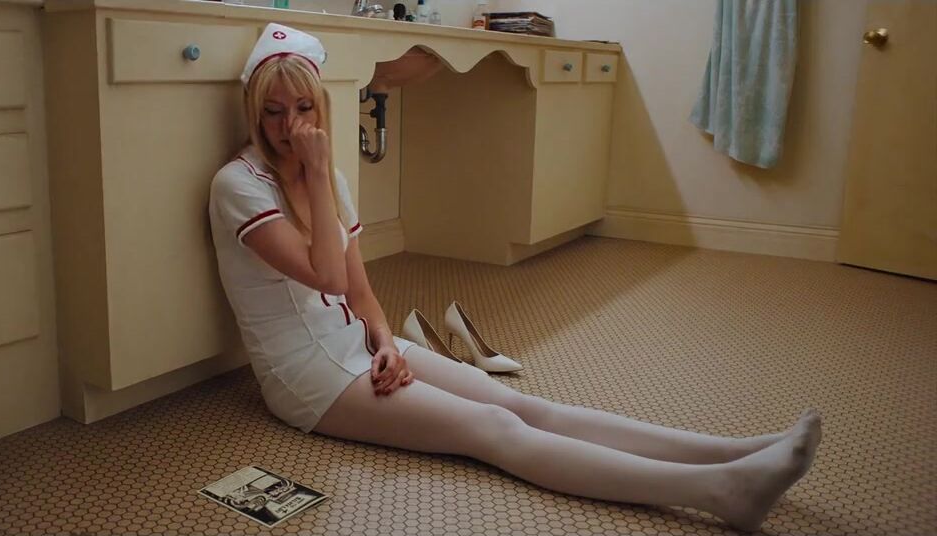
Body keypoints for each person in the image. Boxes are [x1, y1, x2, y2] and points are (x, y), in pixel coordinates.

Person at [207, 23, 822, 532]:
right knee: (493, 429)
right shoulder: (239, 186)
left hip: (356, 345)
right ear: (254, 114)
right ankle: (721, 492)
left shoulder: (329, 178)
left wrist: (387, 340)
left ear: (321, 106)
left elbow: (361, 289)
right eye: (274, 112)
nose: (290, 127)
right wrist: (317, 173)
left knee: (518, 403)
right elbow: (328, 278)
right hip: (307, 378)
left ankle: (732, 453)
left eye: (304, 108)